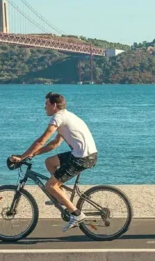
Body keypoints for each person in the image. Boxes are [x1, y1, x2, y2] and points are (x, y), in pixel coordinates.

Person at [9, 92, 98, 231]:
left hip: (82, 157)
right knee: (50, 162)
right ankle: (60, 195)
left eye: (46, 104)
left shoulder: (58, 117)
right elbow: (55, 144)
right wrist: (34, 154)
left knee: (50, 186)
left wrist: (22, 157)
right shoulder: (66, 116)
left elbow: (41, 140)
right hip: (83, 153)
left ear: (54, 105)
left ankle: (77, 214)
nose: (44, 108)